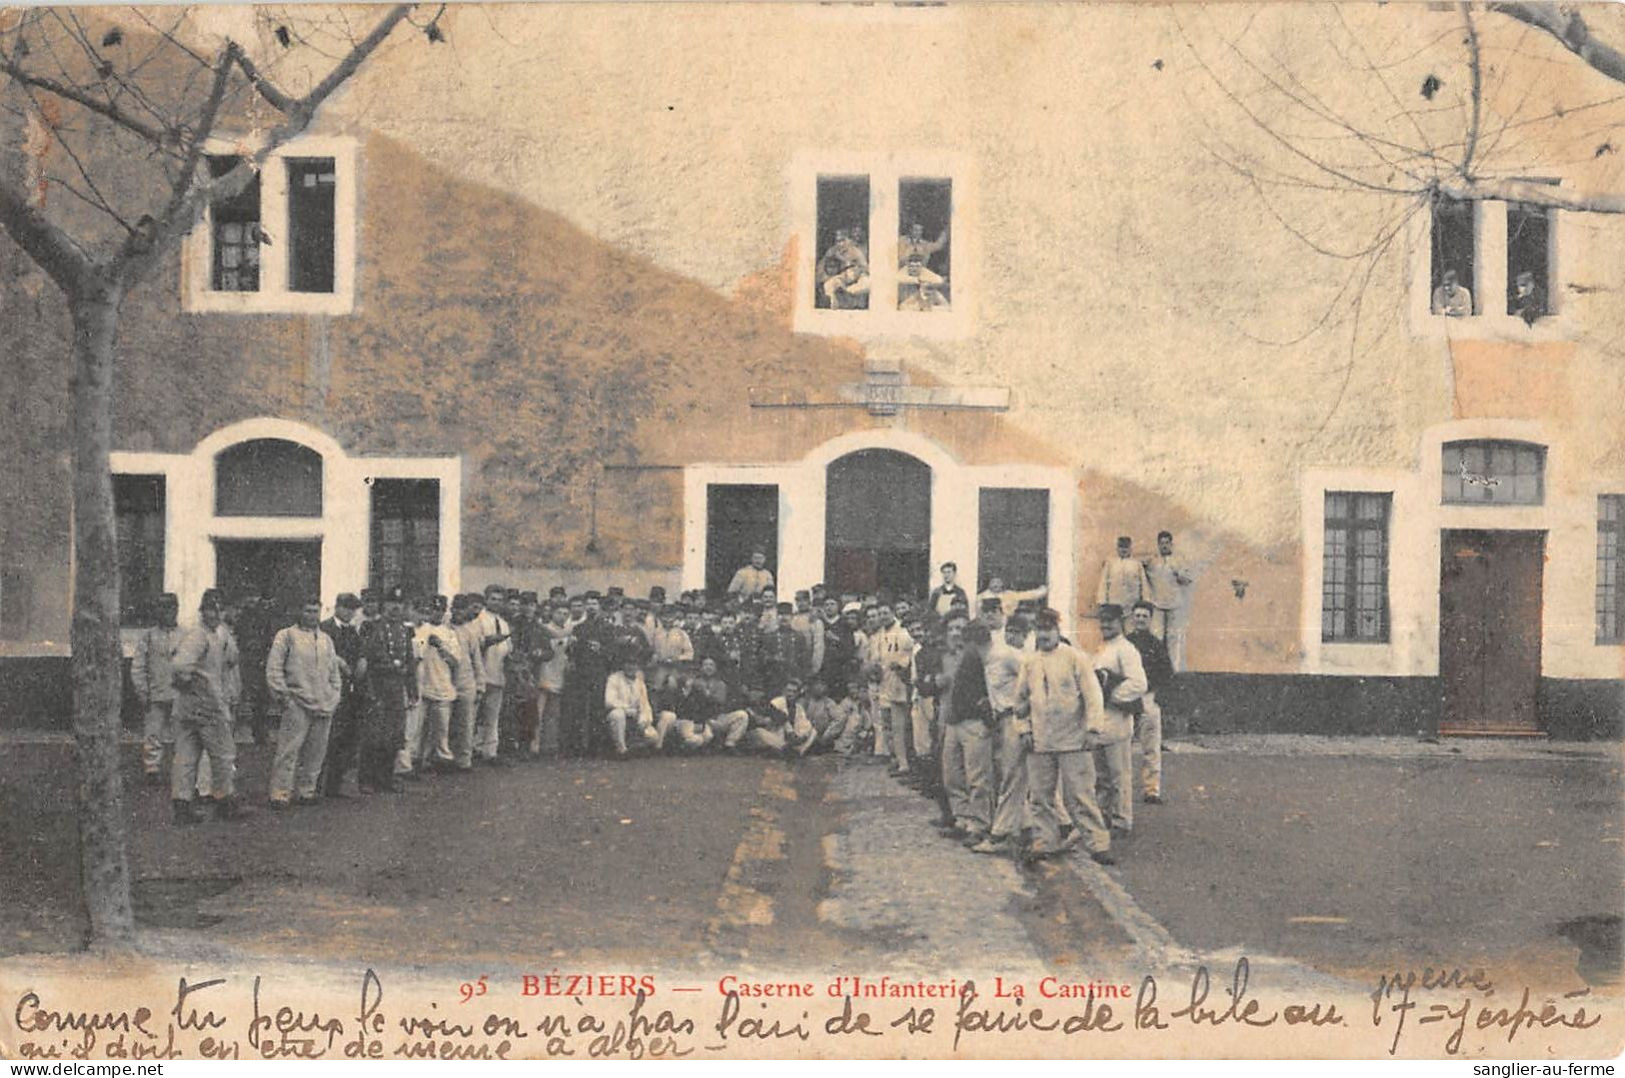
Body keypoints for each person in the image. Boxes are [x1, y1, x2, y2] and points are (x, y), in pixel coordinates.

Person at [1018, 608, 1114, 864]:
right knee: (1040, 796)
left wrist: (1093, 729)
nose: (1044, 634)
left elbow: (1093, 696)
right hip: (1040, 740)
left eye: (1048, 628)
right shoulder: (1029, 662)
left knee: (1081, 795)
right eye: (1039, 628)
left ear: (1058, 630)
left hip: (1074, 740)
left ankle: (1098, 844)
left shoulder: (1075, 658)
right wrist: (1024, 729)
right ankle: (1045, 841)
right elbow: (1019, 702)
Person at [169, 591, 244, 824]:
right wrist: (192, 683)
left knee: (190, 755)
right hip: (204, 704)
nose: (216, 614)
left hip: (202, 702)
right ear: (203, 610)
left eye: (220, 609)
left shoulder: (220, 633)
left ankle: (185, 805)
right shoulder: (197, 634)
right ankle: (222, 802)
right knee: (218, 754)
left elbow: (232, 658)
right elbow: (180, 665)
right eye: (211, 609)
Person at [265, 598, 344, 808]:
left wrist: (333, 696)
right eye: (308, 611)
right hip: (297, 702)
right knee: (288, 750)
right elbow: (274, 669)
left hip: (323, 703)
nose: (312, 616)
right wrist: (284, 697)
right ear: (300, 612)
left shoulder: (326, 639)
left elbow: (334, 673)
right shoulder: (286, 636)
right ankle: (280, 794)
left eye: (316, 612)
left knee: (316, 752)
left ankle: (306, 791)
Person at [972, 615, 1034, 856]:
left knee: (1012, 777)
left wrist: (1025, 712)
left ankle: (999, 835)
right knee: (1015, 776)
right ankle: (1028, 827)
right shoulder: (989, 660)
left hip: (1016, 720)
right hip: (1003, 720)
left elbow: (1033, 678)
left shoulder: (1007, 655)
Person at [1092, 603, 1147, 836]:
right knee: (1101, 776)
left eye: (1110, 621)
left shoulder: (1126, 649)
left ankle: (1122, 820)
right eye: (1102, 620)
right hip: (1100, 722)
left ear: (1120, 622)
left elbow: (1139, 683)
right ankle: (1103, 816)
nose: (1105, 625)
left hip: (1117, 718)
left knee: (1119, 775)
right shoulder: (1103, 648)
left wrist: (1110, 695)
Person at [358, 586, 417, 794]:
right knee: (374, 735)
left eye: (399, 604)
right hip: (378, 688)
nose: (396, 608)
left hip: (396, 690)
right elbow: (369, 660)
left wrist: (412, 691)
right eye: (392, 604)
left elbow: (410, 662)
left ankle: (386, 777)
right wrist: (372, 689)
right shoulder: (374, 628)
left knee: (394, 735)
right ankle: (367, 779)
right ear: (385, 606)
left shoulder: (403, 630)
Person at [941, 622, 996, 844]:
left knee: (977, 777)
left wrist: (986, 711)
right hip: (955, 721)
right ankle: (962, 818)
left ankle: (979, 824)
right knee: (952, 774)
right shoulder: (956, 657)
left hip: (974, 721)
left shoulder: (987, 657)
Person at [1126, 601, 1174, 805]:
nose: (1140, 619)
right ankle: (1122, 789)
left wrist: (1153, 693)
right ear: (1132, 618)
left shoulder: (1157, 645)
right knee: (1122, 746)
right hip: (1126, 699)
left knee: (1151, 746)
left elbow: (1167, 673)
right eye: (1137, 615)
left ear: (1150, 619)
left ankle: (1151, 789)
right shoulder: (1125, 643)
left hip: (1147, 697)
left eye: (1144, 616)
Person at [319, 593, 365, 797]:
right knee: (326, 738)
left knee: (344, 740)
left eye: (353, 610)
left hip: (348, 691)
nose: (350, 613)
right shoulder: (325, 628)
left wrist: (362, 661)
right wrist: (338, 661)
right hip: (328, 688)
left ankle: (334, 785)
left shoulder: (352, 631)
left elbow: (359, 652)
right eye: (347, 608)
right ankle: (317, 784)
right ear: (337, 607)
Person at [410, 595, 462, 775]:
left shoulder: (449, 633)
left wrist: (441, 647)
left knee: (441, 729)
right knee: (417, 729)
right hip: (421, 684)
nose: (437, 613)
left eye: (440, 610)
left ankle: (442, 759)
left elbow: (456, 661)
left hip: (442, 684)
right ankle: (415, 761)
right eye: (433, 609)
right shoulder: (419, 630)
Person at [133, 593, 182, 785]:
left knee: (182, 734)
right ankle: (152, 768)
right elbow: (139, 665)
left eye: (171, 608)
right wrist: (142, 690)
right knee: (153, 733)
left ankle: (181, 769)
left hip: (180, 694)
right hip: (156, 692)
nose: (167, 612)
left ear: (176, 610)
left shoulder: (186, 635)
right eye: (163, 608)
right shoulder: (149, 636)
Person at [868, 603, 915, 775]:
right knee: (891, 724)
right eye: (880, 613)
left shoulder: (902, 631)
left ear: (892, 613)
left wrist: (901, 664)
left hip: (902, 681)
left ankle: (908, 762)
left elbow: (910, 654)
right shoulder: (880, 633)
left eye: (885, 612)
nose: (882, 616)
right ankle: (898, 760)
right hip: (886, 682)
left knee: (906, 725)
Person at [1142, 529, 1193, 670]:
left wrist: (1179, 573)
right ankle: (1156, 669)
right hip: (1157, 604)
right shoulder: (1152, 561)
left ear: (1171, 544)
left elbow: (1187, 579)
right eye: (1161, 543)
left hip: (1175, 604)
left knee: (1173, 638)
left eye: (1167, 543)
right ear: (1158, 545)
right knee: (1156, 636)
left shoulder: (1178, 560)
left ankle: (1174, 670)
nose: (1164, 546)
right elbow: (1139, 566)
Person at [473, 585, 513, 765]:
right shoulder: (479, 620)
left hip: (498, 673)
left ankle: (490, 751)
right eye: (493, 599)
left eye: (499, 600)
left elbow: (507, 648)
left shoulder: (503, 623)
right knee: (474, 715)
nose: (496, 603)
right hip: (481, 673)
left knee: (492, 715)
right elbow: (475, 645)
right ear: (486, 599)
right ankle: (473, 748)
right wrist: (490, 641)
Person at [603, 652, 668, 755]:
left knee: (654, 738)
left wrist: (644, 720)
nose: (631, 667)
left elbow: (645, 704)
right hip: (619, 716)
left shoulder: (640, 682)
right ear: (623, 665)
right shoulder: (614, 678)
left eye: (634, 664)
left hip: (635, 719)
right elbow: (609, 701)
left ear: (638, 667)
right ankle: (621, 750)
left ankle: (632, 746)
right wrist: (627, 709)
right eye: (628, 664)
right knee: (617, 715)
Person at [448, 595, 486, 770]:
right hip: (445, 680)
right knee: (446, 723)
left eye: (461, 609)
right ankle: (444, 758)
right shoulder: (444, 629)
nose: (458, 612)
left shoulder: (470, 632)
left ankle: (463, 760)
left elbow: (477, 661)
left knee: (466, 723)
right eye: (455, 608)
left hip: (466, 681)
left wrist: (480, 685)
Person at [534, 601, 572, 756]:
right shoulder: (543, 630)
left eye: (565, 614)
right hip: (544, 673)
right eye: (559, 613)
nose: (562, 616)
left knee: (553, 714)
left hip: (559, 673)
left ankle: (549, 746)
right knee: (538, 712)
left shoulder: (570, 632)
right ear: (552, 613)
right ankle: (534, 745)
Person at [1097, 536, 1151, 608]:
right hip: (1113, 604)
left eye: (1126, 547)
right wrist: (1102, 601)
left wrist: (1145, 600)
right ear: (1117, 549)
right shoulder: (1110, 564)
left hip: (1132, 604)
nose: (1124, 550)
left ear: (1130, 549)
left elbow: (1144, 584)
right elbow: (1103, 584)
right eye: (1121, 547)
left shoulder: (1137, 564)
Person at [978, 576, 1048, 621]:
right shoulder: (982, 596)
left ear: (1002, 584)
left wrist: (1043, 590)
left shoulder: (1009, 595)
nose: (996, 584)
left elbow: (1028, 595)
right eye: (993, 582)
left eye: (998, 582)